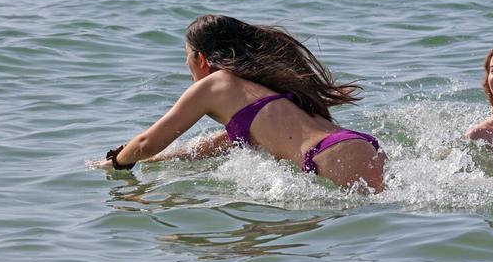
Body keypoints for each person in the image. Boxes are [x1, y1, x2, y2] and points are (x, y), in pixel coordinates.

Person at [92, 15, 386, 192]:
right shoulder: (264, 86)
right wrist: (159, 162)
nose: (186, 64)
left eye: (187, 55)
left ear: (202, 59)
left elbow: (145, 142)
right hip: (354, 145)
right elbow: (219, 144)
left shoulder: (215, 83)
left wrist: (115, 163)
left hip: (328, 158)